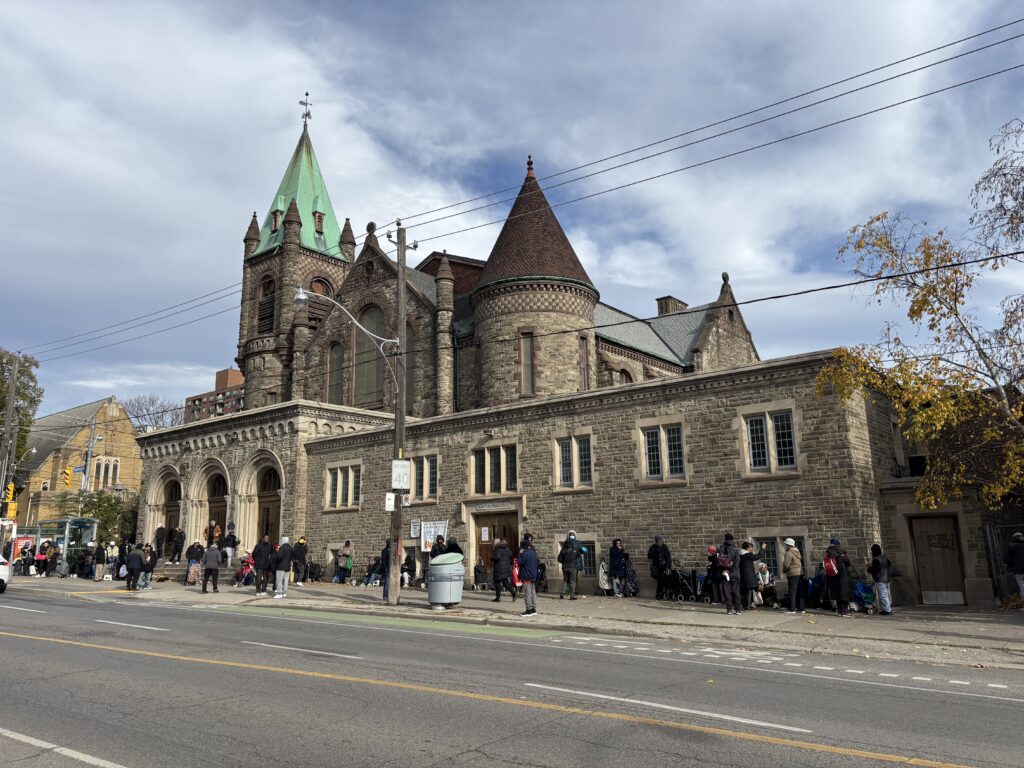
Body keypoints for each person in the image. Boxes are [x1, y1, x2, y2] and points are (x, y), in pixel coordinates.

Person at [824, 538, 853, 617]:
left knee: (837, 593)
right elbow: (848, 563)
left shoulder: (828, 552)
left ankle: (840, 611)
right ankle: (845, 611)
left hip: (833, 575)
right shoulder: (841, 552)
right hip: (842, 575)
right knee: (844, 593)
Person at [718, 534, 742, 615]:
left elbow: (718, 562)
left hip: (724, 573)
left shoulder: (720, 548)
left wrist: (725, 571)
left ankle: (729, 609)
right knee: (736, 591)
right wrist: (731, 571)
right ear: (732, 540)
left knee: (727, 592)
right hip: (734, 573)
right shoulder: (736, 549)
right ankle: (738, 609)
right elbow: (737, 563)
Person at [867, 543, 893, 616]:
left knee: (883, 595)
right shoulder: (884, 557)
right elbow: (889, 565)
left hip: (880, 579)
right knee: (887, 594)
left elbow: (875, 570)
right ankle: (887, 608)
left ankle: (887, 610)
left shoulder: (876, 559)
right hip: (886, 578)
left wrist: (868, 569)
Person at [739, 541, 765, 609]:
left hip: (744, 574)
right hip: (748, 575)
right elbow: (759, 555)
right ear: (747, 548)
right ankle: (747, 605)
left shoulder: (741, 554)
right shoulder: (747, 555)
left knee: (746, 590)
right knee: (749, 590)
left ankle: (747, 605)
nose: (752, 548)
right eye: (751, 547)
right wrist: (762, 548)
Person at [517, 535, 539, 618]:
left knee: (527, 593)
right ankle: (534, 609)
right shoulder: (533, 553)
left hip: (526, 576)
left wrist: (520, 554)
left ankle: (528, 610)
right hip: (533, 575)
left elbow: (519, 562)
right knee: (533, 593)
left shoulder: (525, 554)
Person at [782, 538, 805, 614]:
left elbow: (786, 564)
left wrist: (784, 570)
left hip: (792, 574)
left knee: (792, 591)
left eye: (786, 544)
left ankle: (792, 609)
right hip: (800, 573)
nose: (785, 546)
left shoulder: (789, 552)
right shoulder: (797, 551)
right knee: (800, 591)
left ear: (788, 545)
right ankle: (801, 608)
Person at [557, 531, 582, 600]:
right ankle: (572, 595)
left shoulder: (563, 549)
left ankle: (562, 594)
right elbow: (579, 554)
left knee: (565, 580)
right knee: (572, 581)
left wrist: (564, 562)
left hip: (564, 567)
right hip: (572, 567)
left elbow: (559, 559)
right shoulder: (575, 549)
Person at [646, 535, 671, 600]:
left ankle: (659, 594)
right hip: (656, 566)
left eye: (661, 541)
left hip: (663, 567)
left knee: (662, 579)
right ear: (656, 542)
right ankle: (661, 593)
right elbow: (649, 556)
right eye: (658, 541)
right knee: (658, 578)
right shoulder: (653, 547)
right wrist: (656, 553)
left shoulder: (665, 547)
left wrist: (667, 566)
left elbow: (668, 557)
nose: (660, 542)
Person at [491, 537, 516, 601]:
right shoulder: (507, 548)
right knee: (505, 583)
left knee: (497, 583)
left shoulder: (498, 549)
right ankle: (513, 592)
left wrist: (491, 557)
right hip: (506, 568)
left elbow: (497, 557)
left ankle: (498, 597)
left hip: (499, 569)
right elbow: (511, 555)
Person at [1004, 532, 1024, 610]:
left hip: (1018, 570)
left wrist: (1011, 564)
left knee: (1022, 586)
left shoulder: (1011, 546)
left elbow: (1007, 559)